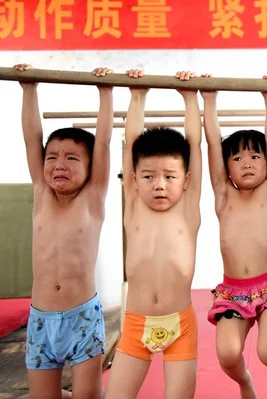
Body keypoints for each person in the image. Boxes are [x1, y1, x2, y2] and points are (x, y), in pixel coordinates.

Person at [15, 63, 114, 399]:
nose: (59, 164)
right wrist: (29, 89)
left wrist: (106, 91)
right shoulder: (42, 195)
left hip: (81, 316)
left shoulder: (93, 197)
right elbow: (32, 139)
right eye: (52, 157)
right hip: (41, 320)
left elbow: (102, 143)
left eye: (73, 158)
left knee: (88, 396)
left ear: (89, 170)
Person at [105, 69, 202, 399]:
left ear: (186, 179)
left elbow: (194, 146)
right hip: (135, 325)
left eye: (169, 176)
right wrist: (137, 96)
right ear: (133, 179)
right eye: (148, 176)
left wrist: (191, 98)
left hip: (181, 326)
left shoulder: (187, 206)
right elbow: (131, 141)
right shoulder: (134, 204)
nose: (159, 184)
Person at [201, 75, 267, 399]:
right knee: (227, 354)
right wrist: (209, 100)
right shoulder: (223, 196)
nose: (247, 163)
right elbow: (213, 143)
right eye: (237, 158)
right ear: (226, 168)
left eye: (255, 157)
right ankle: (245, 383)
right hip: (233, 292)